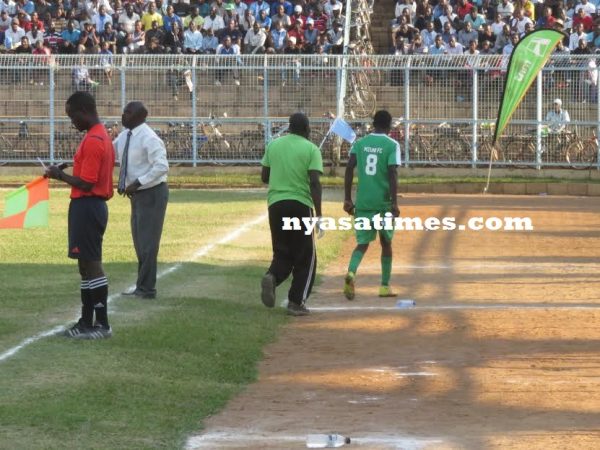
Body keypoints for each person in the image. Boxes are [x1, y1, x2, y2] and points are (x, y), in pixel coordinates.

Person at [45, 91, 115, 339]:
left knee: (92, 264)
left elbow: (86, 183)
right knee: (84, 265)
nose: (71, 121)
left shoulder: (95, 139)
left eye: (72, 115)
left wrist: (58, 175)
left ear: (84, 111)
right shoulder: (95, 136)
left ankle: (102, 325)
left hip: (88, 205)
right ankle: (86, 321)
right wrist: (65, 169)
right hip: (85, 206)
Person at [260, 112, 323, 316]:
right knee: (306, 256)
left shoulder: (274, 145)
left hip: (276, 205)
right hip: (300, 205)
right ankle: (296, 302)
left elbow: (264, 177)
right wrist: (319, 215)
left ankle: (272, 276)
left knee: (282, 251)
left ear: (289, 127)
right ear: (306, 129)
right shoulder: (311, 149)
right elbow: (314, 182)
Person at [343, 110, 401, 300]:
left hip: (364, 203)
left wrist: (347, 199)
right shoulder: (392, 145)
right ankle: (384, 286)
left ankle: (351, 272)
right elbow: (392, 173)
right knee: (386, 243)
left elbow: (349, 168)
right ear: (389, 125)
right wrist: (394, 203)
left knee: (362, 244)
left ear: (373, 123)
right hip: (383, 204)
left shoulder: (360, 144)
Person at [114, 102, 169, 299]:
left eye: (128, 113)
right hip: (136, 195)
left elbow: (162, 166)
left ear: (140, 116)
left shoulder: (149, 137)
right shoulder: (124, 136)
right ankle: (142, 285)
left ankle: (147, 288)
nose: (123, 115)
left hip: (152, 193)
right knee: (139, 242)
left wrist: (138, 182)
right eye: (124, 112)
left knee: (148, 243)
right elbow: (109, 153)